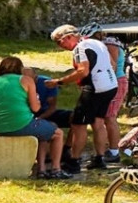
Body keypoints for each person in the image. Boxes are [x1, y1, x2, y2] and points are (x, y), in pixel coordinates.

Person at [47, 24, 118, 171]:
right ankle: (99, 159)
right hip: (110, 86)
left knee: (78, 125)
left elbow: (83, 71)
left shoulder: (80, 48)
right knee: (98, 122)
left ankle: (74, 161)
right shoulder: (97, 43)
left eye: (60, 42)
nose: (61, 47)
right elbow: (112, 64)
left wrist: (59, 82)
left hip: (95, 88)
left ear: (69, 37)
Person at [0, 57, 70, 178]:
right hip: (21, 125)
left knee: (44, 132)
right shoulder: (25, 80)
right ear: (20, 68)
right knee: (57, 133)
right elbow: (35, 108)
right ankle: (56, 169)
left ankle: (41, 168)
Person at [28, 67, 79, 174]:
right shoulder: (20, 85)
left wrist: (41, 118)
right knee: (51, 127)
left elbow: (52, 107)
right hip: (28, 115)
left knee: (76, 118)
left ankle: (66, 149)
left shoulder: (46, 83)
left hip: (45, 112)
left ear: (36, 77)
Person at [94, 30, 128, 163]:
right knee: (107, 117)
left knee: (110, 117)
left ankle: (114, 151)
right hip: (114, 81)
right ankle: (111, 149)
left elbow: (111, 66)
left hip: (116, 81)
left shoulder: (109, 44)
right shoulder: (110, 43)